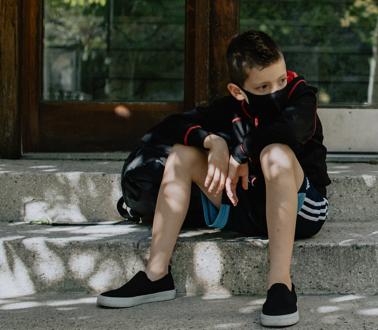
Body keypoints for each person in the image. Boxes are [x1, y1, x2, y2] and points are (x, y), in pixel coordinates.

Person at [97, 30, 331, 327]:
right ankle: (156, 275)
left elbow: (295, 128)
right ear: (238, 91)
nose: (277, 90)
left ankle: (281, 285)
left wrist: (240, 153)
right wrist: (211, 141)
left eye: (281, 80)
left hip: (301, 210)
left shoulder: (300, 94)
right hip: (246, 204)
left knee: (275, 153)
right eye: (263, 86)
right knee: (182, 153)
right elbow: (161, 131)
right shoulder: (230, 109)